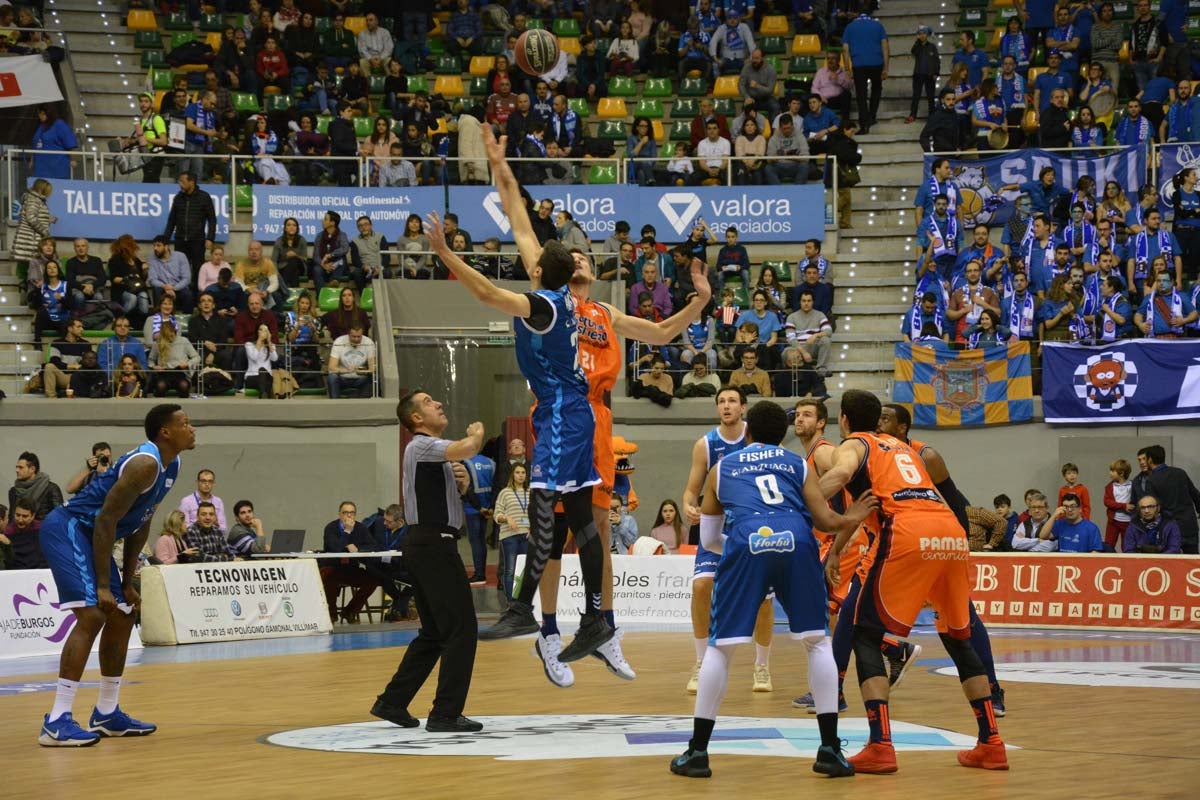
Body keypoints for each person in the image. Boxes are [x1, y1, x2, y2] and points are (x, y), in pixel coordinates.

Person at [475, 125, 710, 682]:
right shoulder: (547, 295)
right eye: (570, 253)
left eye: (584, 254)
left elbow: (661, 334)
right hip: (558, 411)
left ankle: (598, 624)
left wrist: (700, 301)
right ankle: (548, 631)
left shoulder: (604, 313)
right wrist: (497, 162)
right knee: (552, 532)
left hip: (597, 418)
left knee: (596, 530)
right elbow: (516, 214)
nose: (577, 257)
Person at [670, 401, 870, 780]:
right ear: (785, 434)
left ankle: (697, 753)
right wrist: (851, 517)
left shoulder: (723, 466)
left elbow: (710, 539)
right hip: (796, 538)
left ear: (748, 432)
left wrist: (748, 545)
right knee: (817, 642)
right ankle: (829, 749)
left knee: (721, 649)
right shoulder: (797, 464)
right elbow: (826, 522)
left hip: (747, 538)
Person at [820, 392, 1008, 773]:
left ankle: (880, 745)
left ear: (843, 420)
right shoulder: (905, 449)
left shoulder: (856, 443)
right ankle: (991, 742)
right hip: (950, 534)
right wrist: (839, 548)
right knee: (958, 638)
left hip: (907, 533)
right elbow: (871, 507)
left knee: (864, 634)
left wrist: (793, 502)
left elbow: (840, 476)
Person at [37, 405, 194, 745]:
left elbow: (141, 521)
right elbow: (106, 520)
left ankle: (107, 712)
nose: (192, 428)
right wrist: (104, 586)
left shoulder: (172, 465)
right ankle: (56, 720)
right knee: (94, 613)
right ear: (165, 432)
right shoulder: (144, 464)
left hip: (94, 534)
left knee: (123, 613)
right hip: (70, 527)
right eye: (185, 423)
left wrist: (125, 582)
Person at [371, 392, 484, 733]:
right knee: (462, 629)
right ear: (416, 419)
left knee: (435, 632)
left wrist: (461, 486)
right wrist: (477, 435)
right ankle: (445, 713)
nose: (438, 403)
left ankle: (392, 701)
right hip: (434, 545)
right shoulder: (420, 445)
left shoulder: (431, 455)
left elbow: (451, 498)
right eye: (429, 401)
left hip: (427, 543)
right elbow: (467, 447)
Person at [681, 387, 775, 693]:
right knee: (701, 586)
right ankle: (699, 662)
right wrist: (688, 506)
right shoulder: (705, 445)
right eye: (721, 401)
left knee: (762, 599)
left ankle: (761, 666)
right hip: (717, 528)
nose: (726, 406)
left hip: (753, 528)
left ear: (744, 407)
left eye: (732, 400)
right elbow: (691, 489)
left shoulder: (758, 436)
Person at [841, 1, 888, 134]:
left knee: (861, 95)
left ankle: (864, 124)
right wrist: (886, 68)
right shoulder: (878, 26)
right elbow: (885, 47)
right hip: (876, 63)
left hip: (859, 64)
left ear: (857, 13)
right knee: (876, 89)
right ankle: (872, 116)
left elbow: (845, 49)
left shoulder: (850, 27)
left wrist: (846, 68)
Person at [1144, 444, 1200, 554]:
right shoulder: (1180, 472)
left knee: (1172, 563)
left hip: (1169, 527)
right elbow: (1195, 494)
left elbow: (1152, 507)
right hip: (1189, 525)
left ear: (1150, 460)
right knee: (1193, 561)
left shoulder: (1151, 480)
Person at [163, 172, 216, 287]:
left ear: (191, 182)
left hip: (197, 240)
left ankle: (197, 297)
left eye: (182, 181)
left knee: (198, 269)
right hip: (180, 240)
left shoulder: (204, 197)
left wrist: (210, 238)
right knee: (180, 270)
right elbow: (171, 221)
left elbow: (212, 219)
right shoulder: (178, 198)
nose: (180, 184)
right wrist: (165, 240)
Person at [492, 463, 531, 600]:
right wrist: (507, 518)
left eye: (523, 473)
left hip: (526, 535)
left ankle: (523, 601)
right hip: (509, 536)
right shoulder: (505, 492)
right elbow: (496, 515)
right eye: (517, 472)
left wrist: (532, 529)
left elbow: (536, 514)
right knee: (510, 570)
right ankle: (511, 602)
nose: (520, 475)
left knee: (524, 571)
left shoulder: (530, 492)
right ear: (512, 475)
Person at [461, 451, 495, 586]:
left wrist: (478, 506)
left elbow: (466, 487)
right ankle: (482, 573)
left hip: (473, 507)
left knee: (475, 542)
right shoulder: (491, 463)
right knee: (482, 540)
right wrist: (490, 506)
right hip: (487, 507)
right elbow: (496, 486)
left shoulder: (466, 462)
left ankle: (479, 574)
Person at [10, 452, 64, 522]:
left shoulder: (51, 489)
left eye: (21, 467)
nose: (17, 470)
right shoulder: (14, 491)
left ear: (32, 469)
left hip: (44, 531)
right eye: (16, 467)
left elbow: (59, 517)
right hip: (20, 531)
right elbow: (12, 518)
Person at [327, 325, 376, 399]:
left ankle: (361, 402)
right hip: (343, 378)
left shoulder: (368, 342)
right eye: (353, 336)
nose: (356, 339)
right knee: (332, 377)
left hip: (361, 378)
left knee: (373, 378)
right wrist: (347, 370)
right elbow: (331, 367)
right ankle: (335, 403)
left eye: (359, 336)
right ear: (348, 335)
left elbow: (373, 368)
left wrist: (362, 371)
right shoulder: (339, 341)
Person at [1102, 458, 1134, 551]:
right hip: (1113, 521)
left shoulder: (1132, 486)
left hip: (1128, 522)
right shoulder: (1109, 487)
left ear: (1121, 473)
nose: (1110, 473)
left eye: (1112, 471)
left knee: (1126, 545)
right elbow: (1107, 502)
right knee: (1109, 544)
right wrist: (1123, 506)